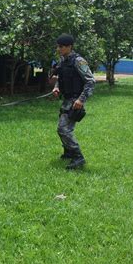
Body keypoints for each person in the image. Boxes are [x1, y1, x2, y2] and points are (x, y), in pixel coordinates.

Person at [52, 34, 95, 169]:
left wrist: (81, 100)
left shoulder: (78, 61)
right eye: (58, 46)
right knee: (63, 128)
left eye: (62, 47)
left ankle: (78, 157)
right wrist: (56, 88)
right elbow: (61, 77)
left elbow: (90, 81)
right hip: (66, 99)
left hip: (75, 99)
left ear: (69, 47)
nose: (59, 49)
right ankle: (69, 152)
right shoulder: (63, 60)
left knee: (63, 129)